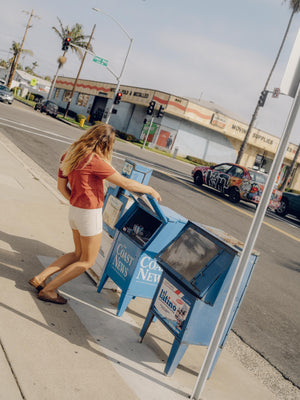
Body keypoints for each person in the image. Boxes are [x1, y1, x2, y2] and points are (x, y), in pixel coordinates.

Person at [29, 123, 161, 304]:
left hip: (74, 212)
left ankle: (39, 278)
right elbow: (126, 183)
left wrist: (77, 201)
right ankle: (49, 290)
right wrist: (150, 189)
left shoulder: (69, 155)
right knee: (87, 261)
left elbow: (61, 187)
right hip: (89, 215)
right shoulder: (94, 161)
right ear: (105, 143)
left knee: (77, 254)